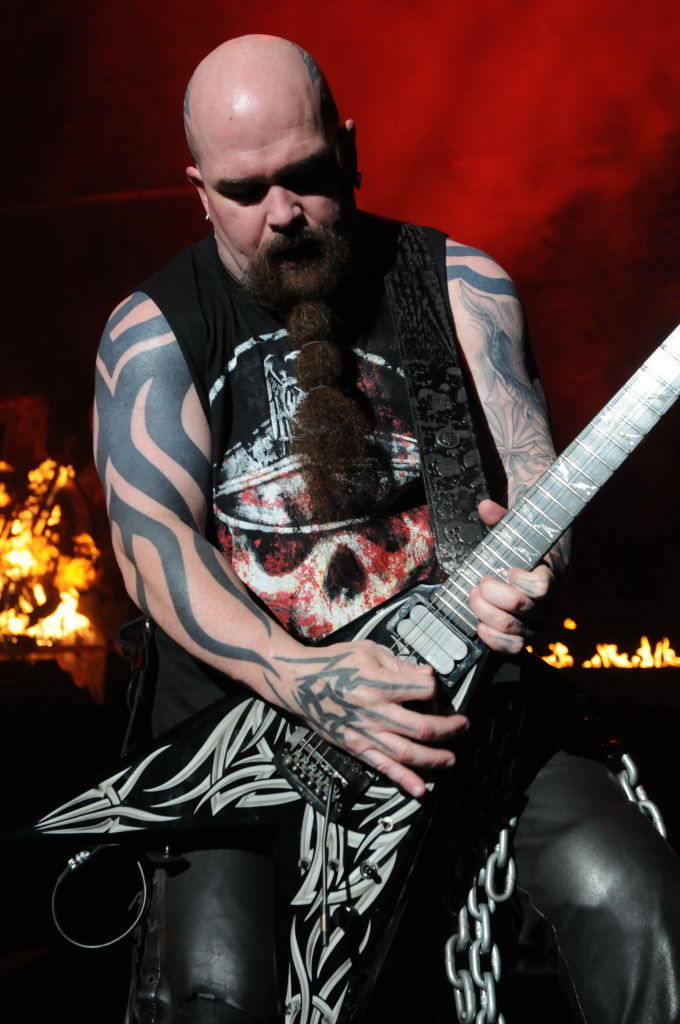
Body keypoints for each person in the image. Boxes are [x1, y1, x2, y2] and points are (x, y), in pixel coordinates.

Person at [94, 34, 680, 1024]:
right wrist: (305, 679)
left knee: (638, 903)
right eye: (245, 191)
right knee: (218, 999)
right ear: (198, 192)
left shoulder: (460, 287)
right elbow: (153, 549)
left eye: (306, 175)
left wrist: (531, 561)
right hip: (247, 735)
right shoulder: (152, 332)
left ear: (351, 151)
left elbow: (535, 478)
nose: (282, 213)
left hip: (463, 707)